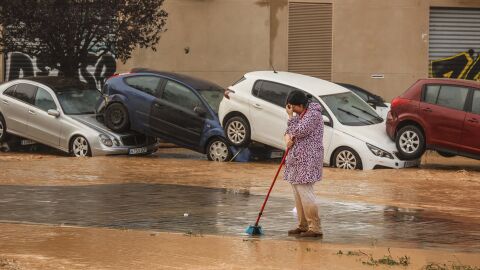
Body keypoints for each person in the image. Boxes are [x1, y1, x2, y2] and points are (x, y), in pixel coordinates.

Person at [284, 91, 324, 238]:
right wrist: (287, 138)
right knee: (297, 192)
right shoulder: (302, 115)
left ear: (301, 105)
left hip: (308, 159)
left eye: (293, 108)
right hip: (296, 160)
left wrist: (290, 117)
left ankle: (315, 227)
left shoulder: (313, 115)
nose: (292, 111)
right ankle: (303, 225)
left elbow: (298, 131)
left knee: (305, 192)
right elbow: (289, 132)